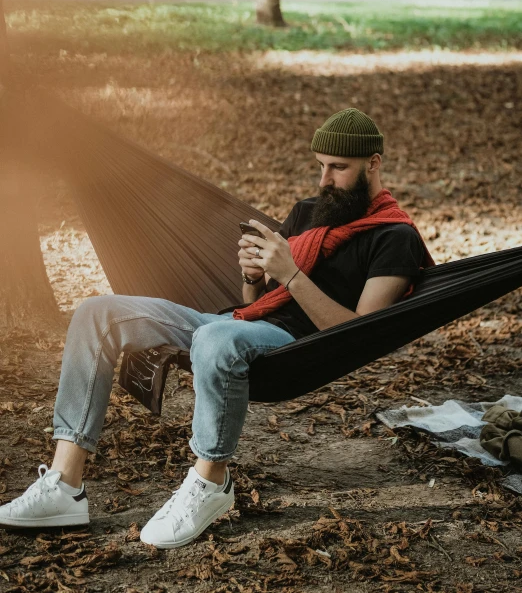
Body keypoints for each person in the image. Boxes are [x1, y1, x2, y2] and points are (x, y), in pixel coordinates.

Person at [0, 108, 431, 548]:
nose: (324, 180)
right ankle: (64, 485)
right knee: (96, 313)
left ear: (374, 164)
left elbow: (358, 333)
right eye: (320, 166)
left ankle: (210, 482)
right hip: (236, 321)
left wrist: (290, 276)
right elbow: (256, 303)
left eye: (338, 168)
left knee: (214, 338)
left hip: (297, 345)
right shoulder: (308, 213)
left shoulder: (395, 237)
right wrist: (252, 277)